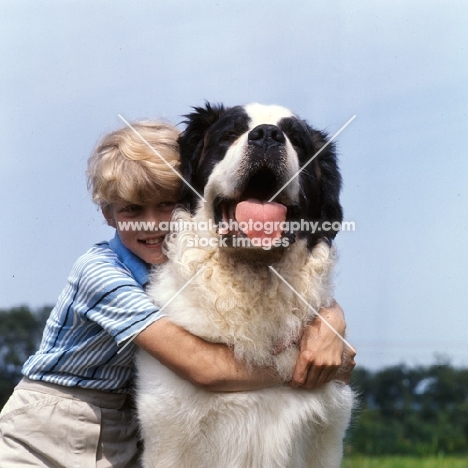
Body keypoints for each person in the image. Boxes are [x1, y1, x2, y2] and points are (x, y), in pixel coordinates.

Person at [0, 120, 356, 467]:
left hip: (118, 435)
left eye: (166, 204)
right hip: (42, 432)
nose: (152, 223)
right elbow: (203, 368)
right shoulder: (99, 273)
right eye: (132, 210)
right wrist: (311, 367)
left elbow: (298, 292)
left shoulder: (178, 267)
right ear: (108, 215)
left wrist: (329, 318)